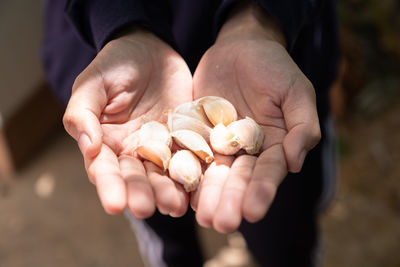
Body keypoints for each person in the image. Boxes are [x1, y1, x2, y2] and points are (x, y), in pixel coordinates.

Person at [42, 0, 339, 266]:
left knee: (285, 235)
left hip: (270, 78)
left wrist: (261, 17)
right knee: (165, 231)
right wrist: (120, 21)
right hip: (125, 96)